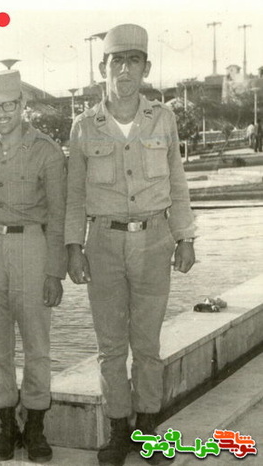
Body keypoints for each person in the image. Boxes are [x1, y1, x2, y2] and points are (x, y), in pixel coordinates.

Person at [65, 24, 196, 466]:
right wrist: (73, 247)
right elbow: (74, 195)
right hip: (102, 243)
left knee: (148, 344)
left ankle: (148, 430)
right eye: (116, 61)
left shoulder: (163, 118)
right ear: (102, 68)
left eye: (133, 60)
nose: (124, 69)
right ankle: (118, 431)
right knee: (110, 347)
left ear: (146, 68)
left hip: (155, 240)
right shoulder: (84, 126)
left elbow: (177, 184)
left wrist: (185, 237)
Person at [0, 70, 67, 463]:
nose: (1, 113)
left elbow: (58, 215)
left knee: (37, 343)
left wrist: (54, 271)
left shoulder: (46, 150)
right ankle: (7, 425)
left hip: (31, 245)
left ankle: (35, 427)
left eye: (8, 105)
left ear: (22, 104)